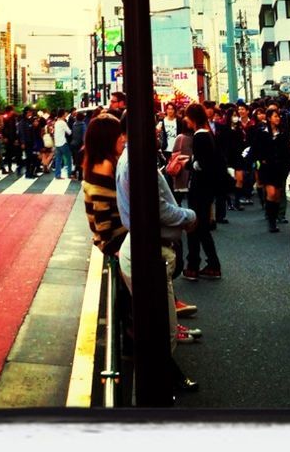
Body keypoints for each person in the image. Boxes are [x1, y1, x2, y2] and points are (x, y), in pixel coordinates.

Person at [116, 144, 200, 393]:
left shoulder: (132, 157)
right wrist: (190, 216)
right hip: (149, 250)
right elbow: (159, 208)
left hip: (144, 247)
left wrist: (165, 171)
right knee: (164, 329)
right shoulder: (135, 161)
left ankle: (164, 380)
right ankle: (158, 389)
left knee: (159, 324)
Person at [181, 102, 223, 280]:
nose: (185, 119)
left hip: (199, 188)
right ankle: (208, 264)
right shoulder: (209, 134)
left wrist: (186, 163)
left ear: (192, 118)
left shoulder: (199, 136)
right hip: (207, 188)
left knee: (195, 225)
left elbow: (200, 164)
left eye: (187, 116)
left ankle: (195, 265)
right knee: (201, 227)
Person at [81, 113, 127, 259]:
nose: (123, 139)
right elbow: (101, 210)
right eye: (119, 135)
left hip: (112, 235)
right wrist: (110, 246)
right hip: (116, 236)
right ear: (107, 139)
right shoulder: (105, 166)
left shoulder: (93, 161)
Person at [254, 105, 290, 232]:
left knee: (277, 195)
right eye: (275, 116)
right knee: (271, 193)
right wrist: (261, 160)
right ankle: (271, 221)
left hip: (280, 167)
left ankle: (274, 215)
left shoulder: (282, 133)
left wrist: (289, 164)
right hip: (267, 167)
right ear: (269, 118)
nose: (278, 118)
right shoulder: (262, 132)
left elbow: (288, 151)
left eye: (279, 116)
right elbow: (256, 149)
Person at [52, 109, 72, 180]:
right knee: (69, 158)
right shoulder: (63, 123)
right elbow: (69, 132)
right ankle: (69, 174)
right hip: (63, 143)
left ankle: (57, 175)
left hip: (57, 144)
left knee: (58, 159)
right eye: (65, 113)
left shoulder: (56, 122)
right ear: (63, 114)